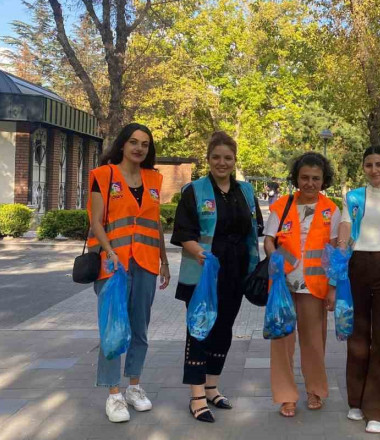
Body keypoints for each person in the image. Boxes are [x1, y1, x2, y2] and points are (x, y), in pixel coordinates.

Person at [172, 131, 261, 423]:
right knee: (200, 330)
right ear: (208, 159)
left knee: (223, 331)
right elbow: (184, 234)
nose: (222, 163)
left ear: (235, 161)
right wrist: (202, 255)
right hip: (203, 276)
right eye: (216, 157)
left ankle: (212, 387)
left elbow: (254, 230)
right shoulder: (193, 191)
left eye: (228, 158)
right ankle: (196, 396)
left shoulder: (245, 191)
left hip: (235, 274)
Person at [86, 122, 170, 423]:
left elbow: (156, 223)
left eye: (144, 144)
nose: (138, 148)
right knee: (113, 329)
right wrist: (110, 252)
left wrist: (164, 260)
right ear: (122, 144)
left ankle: (134, 386)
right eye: (133, 142)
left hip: (146, 262)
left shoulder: (154, 179)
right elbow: (96, 221)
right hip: (113, 265)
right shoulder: (103, 175)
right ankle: (113, 395)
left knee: (140, 328)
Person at [338, 146, 380, 434]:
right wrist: (339, 260)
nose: (375, 169)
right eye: (369, 165)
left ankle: (378, 409)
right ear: (363, 167)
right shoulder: (353, 197)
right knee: (357, 335)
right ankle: (356, 400)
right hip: (357, 266)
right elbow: (345, 228)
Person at [265, 152, 340, 418]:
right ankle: (286, 396)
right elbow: (269, 241)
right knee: (282, 342)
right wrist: (278, 261)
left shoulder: (332, 210)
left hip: (315, 287)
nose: (309, 183)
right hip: (283, 286)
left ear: (324, 180)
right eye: (305, 177)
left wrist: (333, 287)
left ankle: (315, 390)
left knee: (313, 343)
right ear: (296, 177)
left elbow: (334, 251)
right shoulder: (282, 205)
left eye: (315, 178)